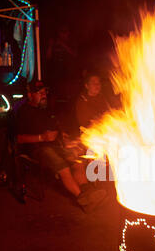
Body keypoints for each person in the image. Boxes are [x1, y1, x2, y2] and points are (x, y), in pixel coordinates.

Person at [15, 79, 106, 212]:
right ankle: (83, 199)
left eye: (44, 91)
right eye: (39, 93)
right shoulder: (23, 112)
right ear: (30, 95)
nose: (44, 95)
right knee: (63, 167)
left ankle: (88, 192)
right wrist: (42, 138)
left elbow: (56, 127)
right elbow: (19, 138)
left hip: (55, 145)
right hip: (37, 148)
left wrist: (63, 136)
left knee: (77, 162)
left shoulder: (45, 109)